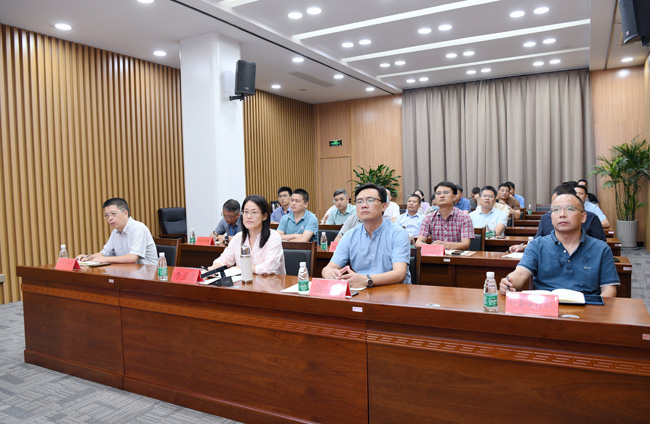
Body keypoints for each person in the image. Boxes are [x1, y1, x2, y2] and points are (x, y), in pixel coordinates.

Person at [500, 193, 619, 297]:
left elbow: (609, 289)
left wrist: (594, 310)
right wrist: (509, 282)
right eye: (556, 210)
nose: (562, 214)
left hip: (587, 308)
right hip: (546, 308)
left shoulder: (601, 249)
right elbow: (520, 273)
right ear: (551, 217)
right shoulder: (537, 245)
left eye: (570, 209)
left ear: (583, 217)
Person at [322, 183, 410, 287]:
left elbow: (399, 274)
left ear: (383, 206)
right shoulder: (350, 235)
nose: (363, 205)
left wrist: (367, 279)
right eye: (359, 201)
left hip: (395, 291)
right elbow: (328, 268)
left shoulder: (398, 233)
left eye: (370, 200)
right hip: (362, 291)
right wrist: (328, 272)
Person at [509, 184, 606, 252]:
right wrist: (525, 247)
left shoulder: (591, 218)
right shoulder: (546, 218)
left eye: (567, 208)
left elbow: (600, 246)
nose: (561, 214)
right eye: (555, 207)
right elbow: (538, 241)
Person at [209, 195, 285, 275]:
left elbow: (269, 268)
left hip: (271, 282)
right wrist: (214, 268)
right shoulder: (238, 238)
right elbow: (224, 259)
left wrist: (242, 268)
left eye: (254, 212)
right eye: (246, 212)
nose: (248, 216)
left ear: (264, 216)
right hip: (245, 282)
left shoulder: (273, 237)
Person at [75, 198, 157, 265]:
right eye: (107, 215)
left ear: (125, 213)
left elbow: (133, 258)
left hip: (148, 273)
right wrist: (88, 257)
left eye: (113, 214)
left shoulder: (138, 228)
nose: (110, 218)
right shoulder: (115, 232)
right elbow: (105, 253)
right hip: (127, 272)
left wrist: (105, 259)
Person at [416, 181, 475, 250]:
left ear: (454, 197)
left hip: (458, 255)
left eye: (446, 193)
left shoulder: (464, 217)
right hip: (436, 255)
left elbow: (465, 244)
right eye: (438, 193)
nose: (442, 196)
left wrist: (445, 245)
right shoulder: (429, 217)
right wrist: (431, 247)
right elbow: (418, 242)